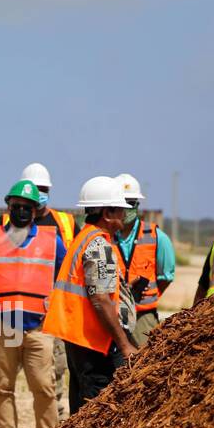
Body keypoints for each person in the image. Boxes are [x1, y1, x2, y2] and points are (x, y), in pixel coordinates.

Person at [0, 162, 73, 428]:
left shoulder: (62, 225)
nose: (28, 205)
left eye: (41, 192)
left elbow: (67, 271)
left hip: (41, 321)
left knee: (47, 380)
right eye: (20, 203)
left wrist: (59, 305)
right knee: (2, 382)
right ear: (9, 205)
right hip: (4, 323)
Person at [42, 176, 138, 414]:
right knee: (97, 410)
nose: (124, 216)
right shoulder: (98, 245)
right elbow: (101, 299)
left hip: (79, 338)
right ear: (107, 212)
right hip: (94, 343)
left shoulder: (83, 238)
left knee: (81, 405)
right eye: (121, 210)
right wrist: (124, 345)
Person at [115, 173, 175, 348]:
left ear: (138, 205)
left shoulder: (157, 237)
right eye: (122, 203)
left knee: (144, 365)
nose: (126, 208)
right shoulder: (104, 236)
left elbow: (166, 277)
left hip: (143, 317)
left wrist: (145, 298)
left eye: (131, 203)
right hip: (111, 316)